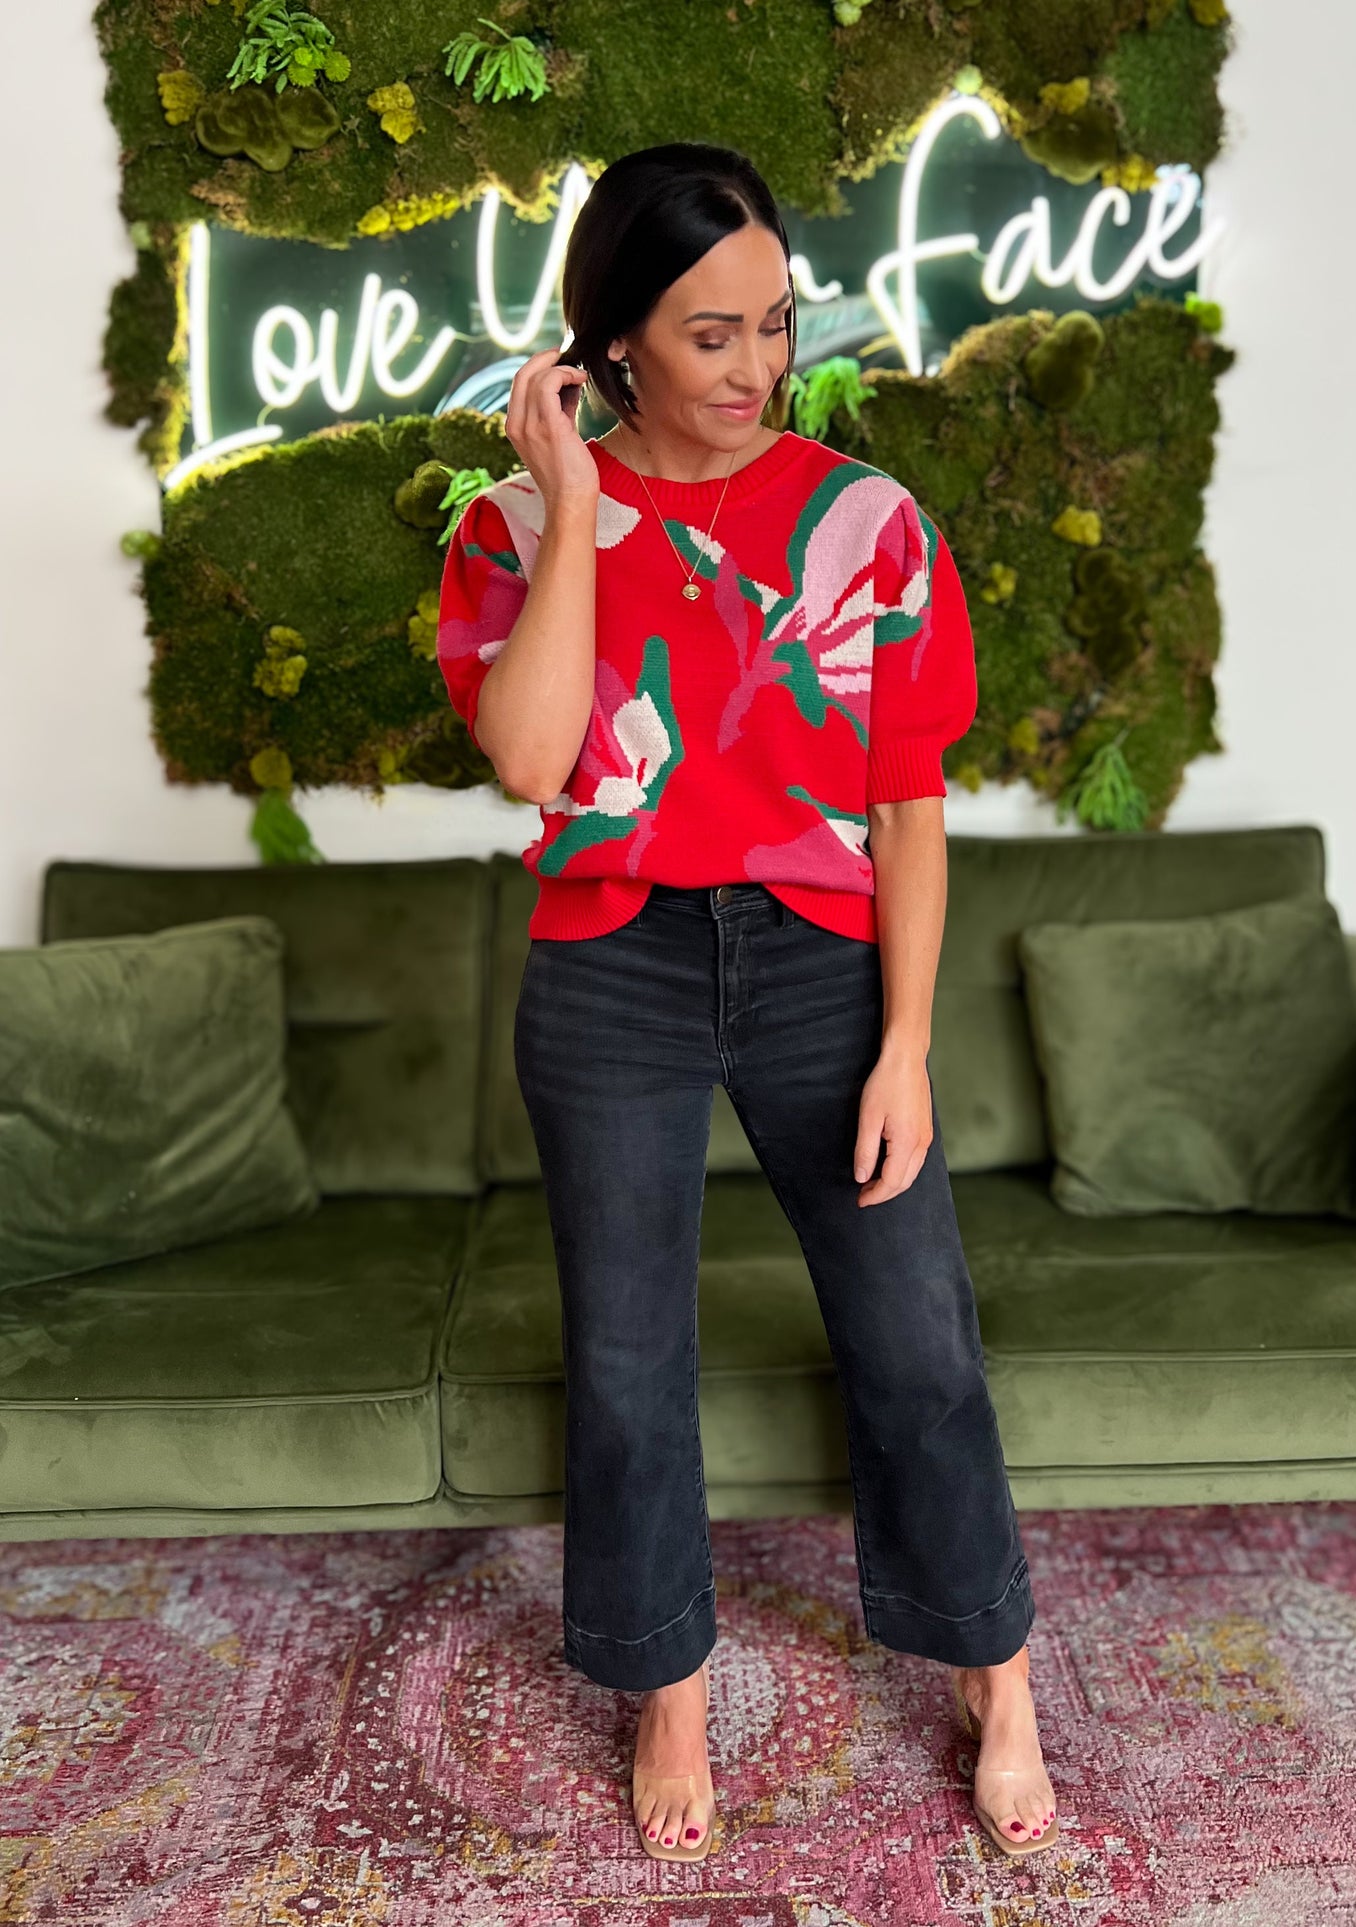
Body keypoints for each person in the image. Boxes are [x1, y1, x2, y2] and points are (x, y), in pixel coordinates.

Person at [436, 141, 1059, 1866]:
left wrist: (906, 1043)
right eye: (710, 334)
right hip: (610, 969)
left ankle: (993, 1674)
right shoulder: (508, 525)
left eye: (774, 325)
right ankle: (667, 1688)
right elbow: (536, 760)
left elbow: (910, 798)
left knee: (917, 1338)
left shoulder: (864, 521)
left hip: (816, 964)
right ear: (612, 339)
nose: (754, 369)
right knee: (630, 1367)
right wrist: (575, 509)